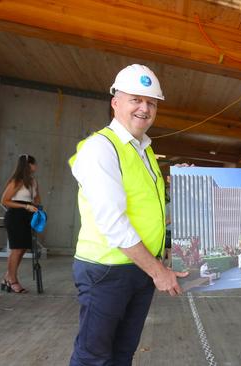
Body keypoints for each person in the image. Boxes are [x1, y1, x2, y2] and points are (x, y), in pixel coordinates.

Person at [68, 64, 187, 366]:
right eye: (136, 99)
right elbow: (113, 222)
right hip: (106, 270)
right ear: (116, 102)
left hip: (139, 267)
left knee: (122, 354)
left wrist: (185, 185)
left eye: (151, 102)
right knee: (93, 357)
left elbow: (150, 208)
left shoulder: (144, 150)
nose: (144, 108)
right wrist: (158, 271)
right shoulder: (101, 148)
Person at [0, 154, 40, 293]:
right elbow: (5, 200)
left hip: (27, 217)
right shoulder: (17, 180)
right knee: (16, 249)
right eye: (34, 164)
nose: (36, 166)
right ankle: (12, 280)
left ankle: (7, 277)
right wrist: (25, 206)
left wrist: (37, 208)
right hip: (15, 216)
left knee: (22, 248)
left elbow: (36, 199)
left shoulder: (33, 181)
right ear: (29, 165)